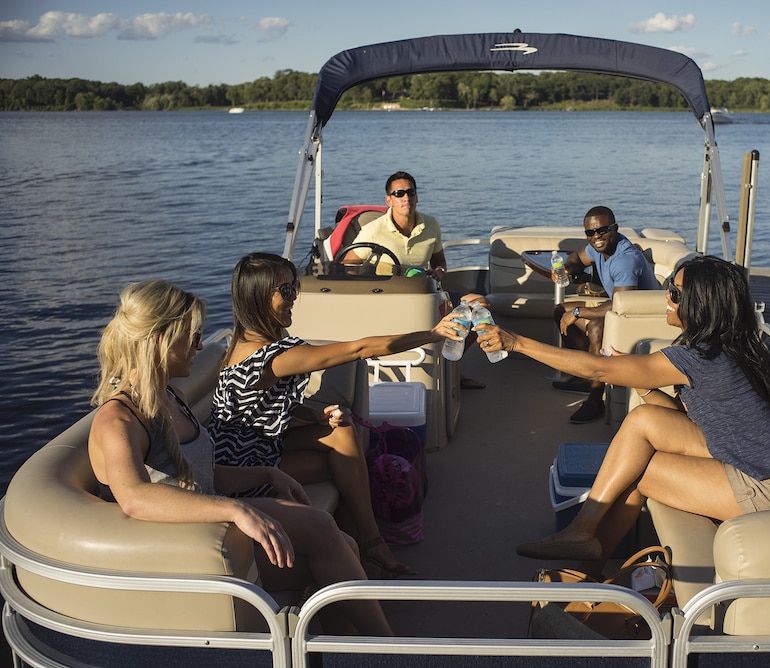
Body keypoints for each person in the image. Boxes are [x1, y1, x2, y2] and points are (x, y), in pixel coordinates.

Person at [88, 279, 393, 636]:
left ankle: (349, 650)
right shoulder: (118, 420)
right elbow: (135, 498)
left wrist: (265, 473)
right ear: (160, 339)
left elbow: (197, 472)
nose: (201, 346)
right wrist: (236, 509)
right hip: (185, 550)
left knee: (343, 542)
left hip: (206, 528)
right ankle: (387, 650)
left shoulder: (168, 397)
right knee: (326, 538)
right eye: (193, 336)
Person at [475, 255, 770, 568]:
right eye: (668, 287)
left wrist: (516, 342)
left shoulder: (701, 357)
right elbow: (678, 414)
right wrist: (644, 384)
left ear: (700, 303)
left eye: (674, 292)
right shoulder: (720, 345)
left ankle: (585, 555)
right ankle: (582, 540)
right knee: (644, 419)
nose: (667, 296)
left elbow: (597, 371)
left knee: (638, 473)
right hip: (739, 460)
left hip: (766, 491)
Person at [210, 252, 460, 577]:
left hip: (257, 448)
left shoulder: (244, 341)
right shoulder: (272, 357)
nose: (294, 297)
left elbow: (257, 406)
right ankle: (368, 542)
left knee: (343, 435)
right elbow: (358, 349)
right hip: (243, 473)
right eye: (284, 291)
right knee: (345, 457)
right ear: (257, 296)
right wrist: (431, 334)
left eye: (294, 287)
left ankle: (359, 541)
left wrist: (311, 417)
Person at [341, 170, 489, 389]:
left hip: (429, 294)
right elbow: (346, 266)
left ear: (417, 196)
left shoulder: (431, 225)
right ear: (388, 199)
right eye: (399, 193)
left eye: (410, 192)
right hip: (388, 299)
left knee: (481, 305)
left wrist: (439, 272)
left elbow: (440, 262)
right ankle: (447, 369)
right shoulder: (373, 231)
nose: (406, 198)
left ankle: (451, 365)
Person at [551, 206, 660, 424]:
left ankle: (595, 399)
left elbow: (622, 305)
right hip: (620, 308)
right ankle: (585, 375)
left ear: (615, 229)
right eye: (590, 233)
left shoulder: (625, 260)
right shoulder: (598, 248)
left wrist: (578, 311)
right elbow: (575, 258)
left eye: (602, 230)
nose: (596, 237)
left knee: (595, 327)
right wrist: (569, 270)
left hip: (643, 318)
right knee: (560, 310)